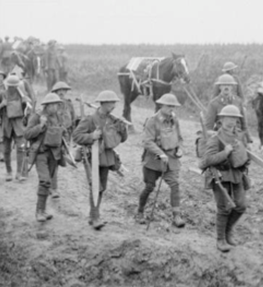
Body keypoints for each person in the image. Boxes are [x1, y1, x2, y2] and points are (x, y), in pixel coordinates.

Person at [72, 90, 128, 230]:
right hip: (92, 157)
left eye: (114, 103)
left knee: (102, 188)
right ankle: (95, 217)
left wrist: (123, 129)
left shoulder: (113, 120)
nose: (114, 106)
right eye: (111, 103)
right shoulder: (90, 119)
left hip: (106, 158)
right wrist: (91, 136)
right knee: (96, 187)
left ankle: (93, 216)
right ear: (103, 103)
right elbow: (76, 136)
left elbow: (122, 139)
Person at [199, 105, 251, 252]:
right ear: (221, 119)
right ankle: (220, 239)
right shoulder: (215, 138)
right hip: (220, 175)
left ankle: (228, 231)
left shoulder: (240, 137)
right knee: (223, 208)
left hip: (237, 175)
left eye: (234, 118)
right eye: (228, 118)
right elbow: (206, 160)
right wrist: (225, 153)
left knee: (241, 206)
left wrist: (244, 158)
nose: (231, 121)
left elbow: (245, 155)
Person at [136, 93, 185, 228]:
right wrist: (161, 154)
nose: (171, 109)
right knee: (149, 186)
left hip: (171, 158)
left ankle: (177, 216)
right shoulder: (152, 121)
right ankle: (140, 212)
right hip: (154, 159)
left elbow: (180, 138)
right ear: (161, 105)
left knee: (175, 184)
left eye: (173, 106)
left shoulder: (175, 120)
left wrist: (179, 149)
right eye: (168, 106)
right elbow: (147, 142)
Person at [23, 93, 68, 222]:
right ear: (47, 106)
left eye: (57, 104)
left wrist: (63, 133)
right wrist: (41, 126)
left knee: (48, 184)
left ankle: (43, 210)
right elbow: (27, 134)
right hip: (41, 153)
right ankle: (39, 212)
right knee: (45, 180)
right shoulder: (37, 117)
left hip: (54, 154)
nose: (56, 107)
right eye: (53, 105)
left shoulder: (58, 117)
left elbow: (63, 132)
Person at [0, 74, 34, 181]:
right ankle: (9, 172)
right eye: (10, 86)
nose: (12, 88)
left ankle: (19, 173)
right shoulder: (1, 95)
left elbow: (30, 109)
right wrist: (2, 105)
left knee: (21, 149)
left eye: (14, 86)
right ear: (7, 86)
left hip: (19, 126)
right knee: (6, 149)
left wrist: (26, 104)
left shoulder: (22, 95)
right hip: (6, 126)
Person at [47, 81, 76, 198]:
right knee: (53, 160)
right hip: (53, 135)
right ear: (55, 92)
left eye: (64, 90)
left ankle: (51, 185)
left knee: (58, 160)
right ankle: (52, 187)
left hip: (65, 135)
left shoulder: (69, 104)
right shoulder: (51, 104)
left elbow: (73, 119)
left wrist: (71, 136)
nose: (62, 92)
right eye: (59, 91)